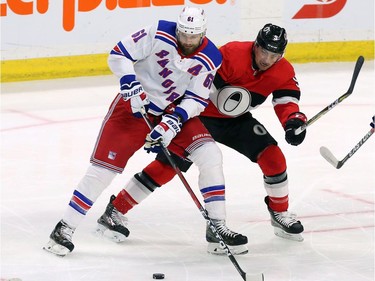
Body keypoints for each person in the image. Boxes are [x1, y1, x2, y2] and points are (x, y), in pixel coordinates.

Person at [43, 6, 248, 257]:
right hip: (132, 108)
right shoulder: (158, 32)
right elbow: (118, 54)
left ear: (203, 33)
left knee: (210, 155)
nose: (187, 41)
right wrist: (129, 81)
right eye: (184, 34)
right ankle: (64, 228)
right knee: (102, 172)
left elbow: (196, 97)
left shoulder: (210, 56)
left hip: (172, 110)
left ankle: (217, 227)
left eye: (193, 36)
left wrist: (174, 121)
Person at [103, 23, 307, 253]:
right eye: (264, 52)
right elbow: (198, 84)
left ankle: (279, 213)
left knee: (273, 157)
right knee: (168, 166)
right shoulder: (231, 54)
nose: (267, 60)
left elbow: (286, 100)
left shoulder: (283, 71)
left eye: (275, 55)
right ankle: (116, 209)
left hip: (236, 120)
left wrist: (293, 120)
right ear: (256, 45)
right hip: (201, 116)